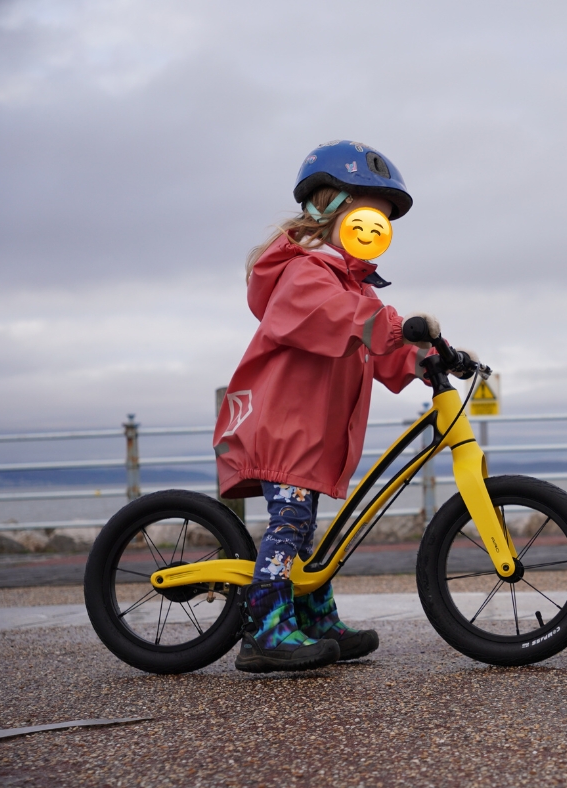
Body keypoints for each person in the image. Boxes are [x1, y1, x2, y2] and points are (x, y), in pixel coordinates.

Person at [214, 140, 445, 673]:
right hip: (283, 427)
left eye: (383, 223)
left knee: (307, 531)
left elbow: (385, 350)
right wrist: (391, 326)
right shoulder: (304, 274)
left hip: (312, 435)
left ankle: (314, 616)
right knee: (291, 523)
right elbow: (335, 316)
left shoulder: (355, 289)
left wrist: (432, 358)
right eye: (369, 218)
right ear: (330, 210)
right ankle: (265, 628)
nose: (376, 231)